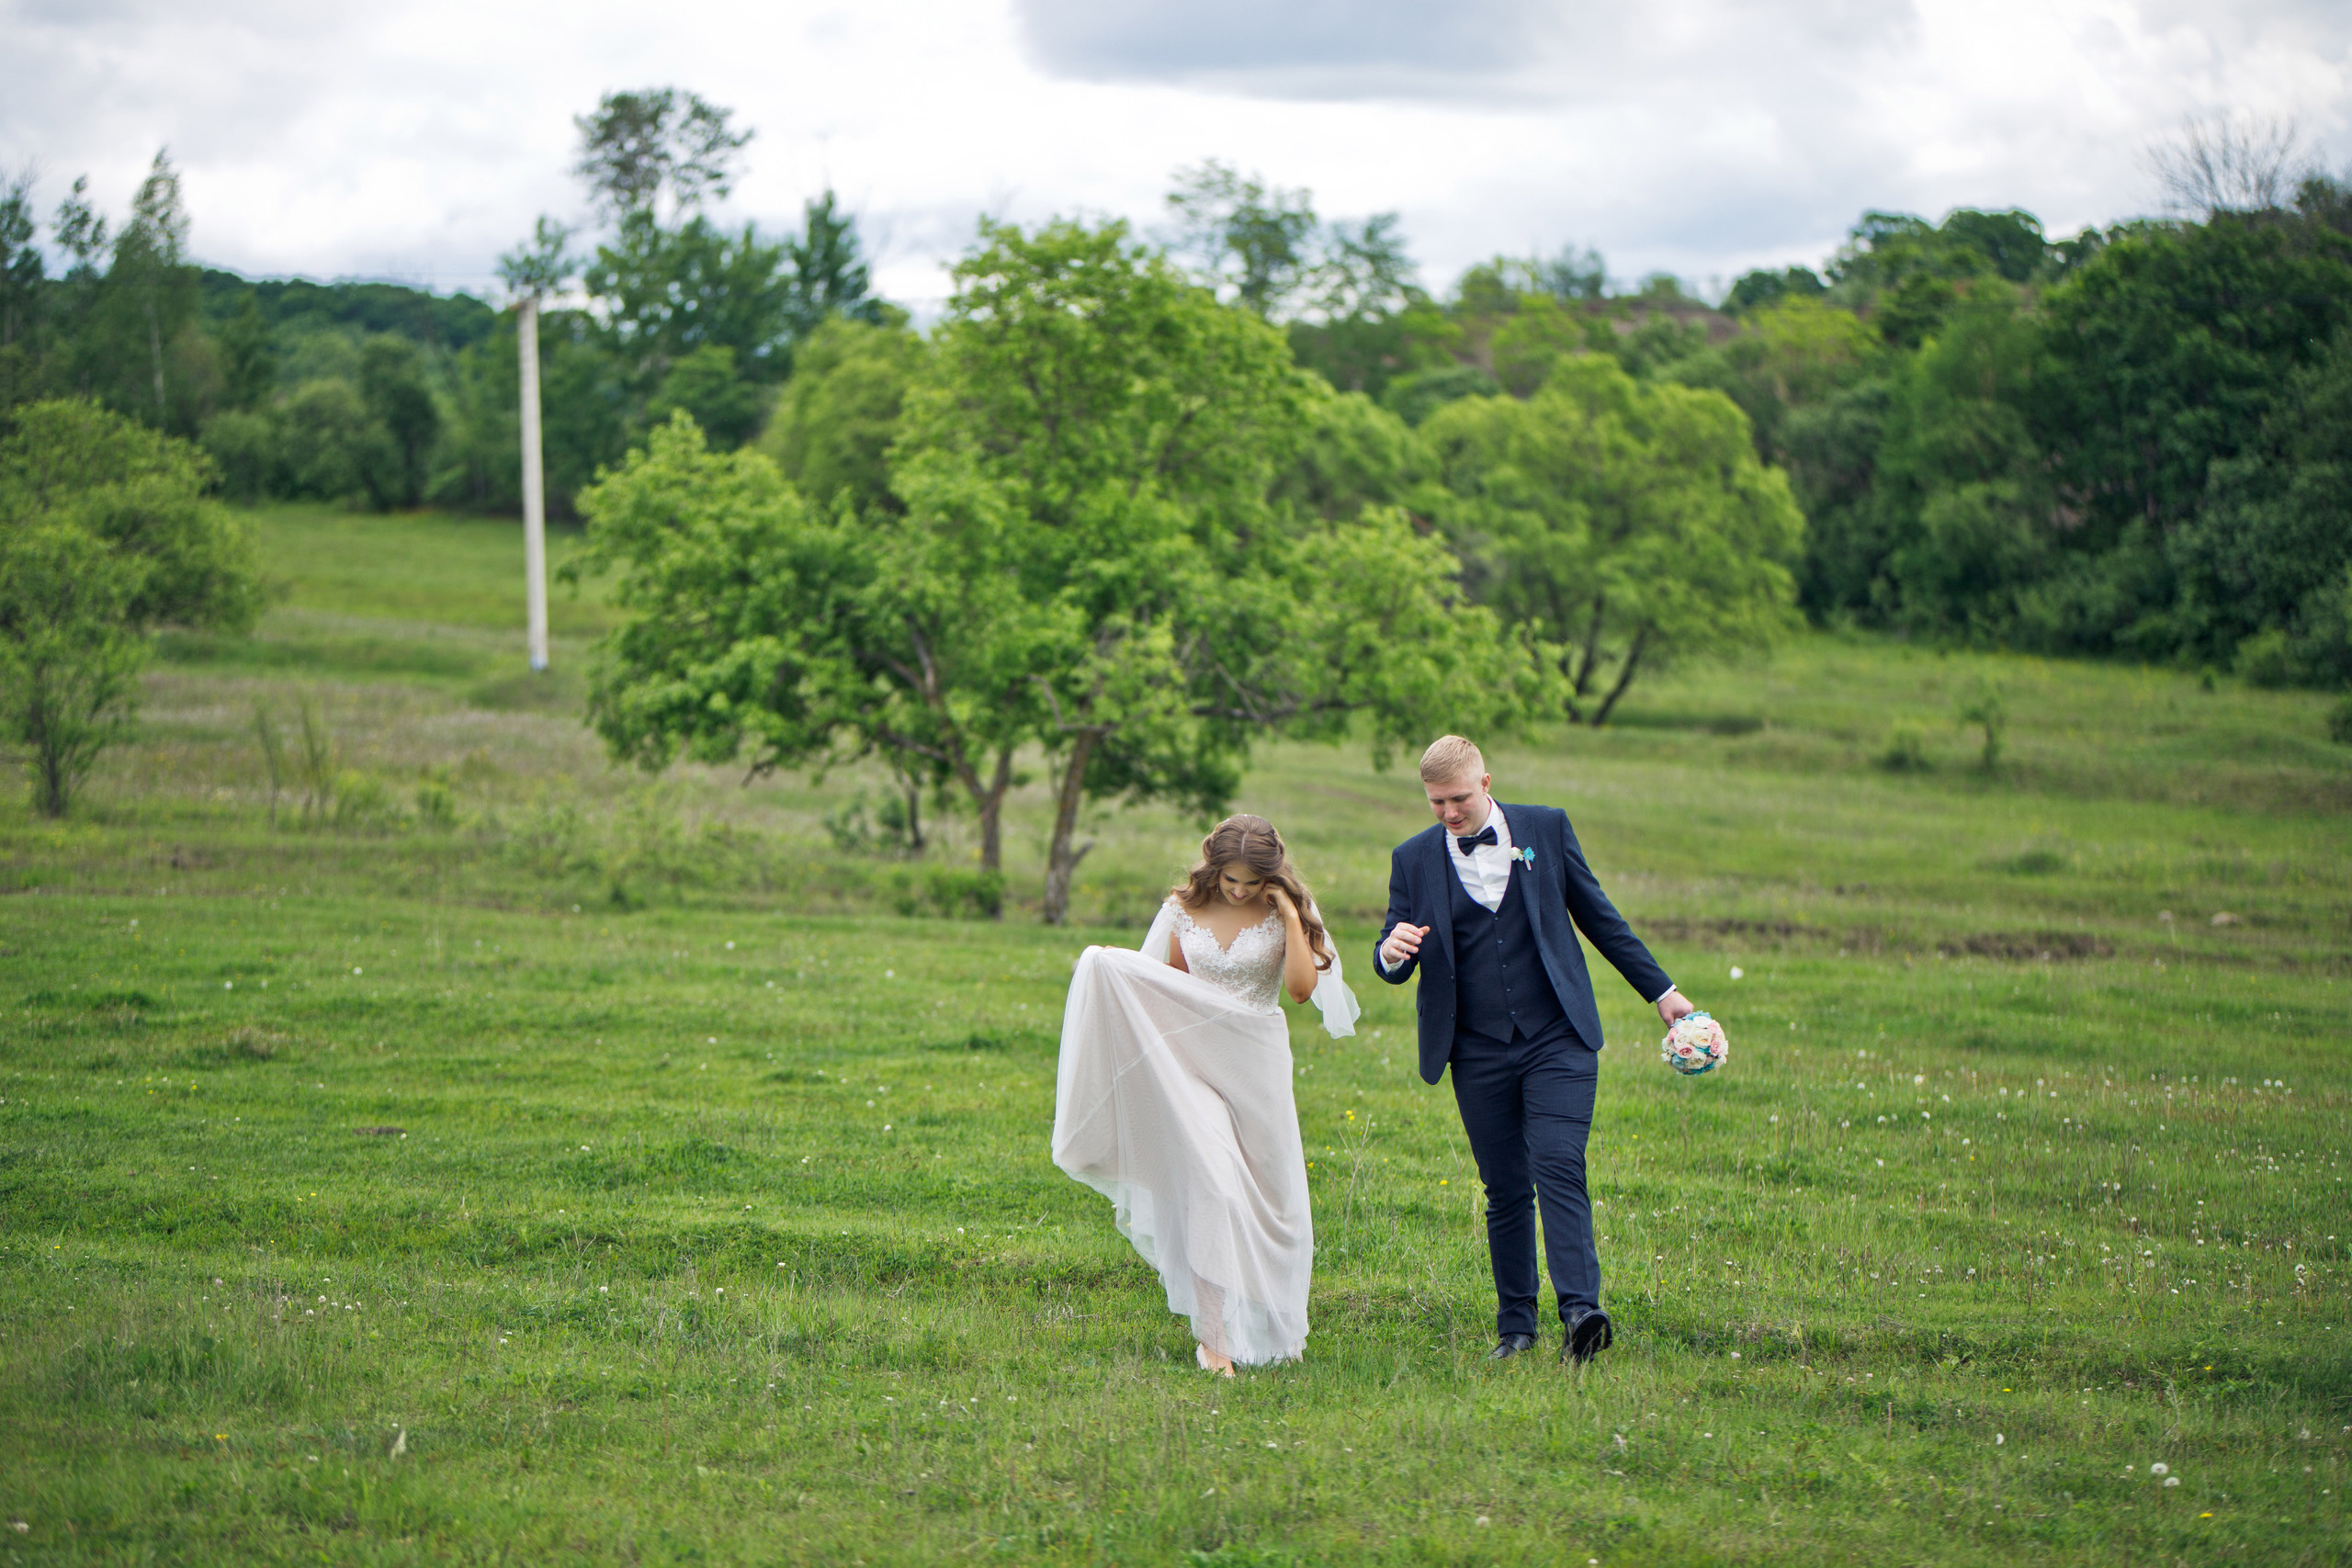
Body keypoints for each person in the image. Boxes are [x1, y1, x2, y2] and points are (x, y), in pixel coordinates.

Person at [1375, 736, 1693, 1366]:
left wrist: (1663, 992)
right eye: (1437, 802)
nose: (1449, 814)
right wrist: (1390, 952)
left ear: (1486, 782)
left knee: (1557, 1161)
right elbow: (1393, 943)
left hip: (1558, 1035)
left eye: (1460, 798)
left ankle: (1581, 1310)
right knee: (1505, 1186)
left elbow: (1600, 918)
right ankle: (1516, 1328)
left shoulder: (1545, 830)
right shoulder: (1412, 858)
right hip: (1474, 1047)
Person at [1052, 816, 1359, 1375]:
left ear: (1271, 873)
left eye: (1249, 881)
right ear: (1211, 866)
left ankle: (1270, 1322)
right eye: (1229, 879)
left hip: (1253, 1060)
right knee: (1211, 1187)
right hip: (1191, 1061)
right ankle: (1215, 1339)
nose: (1238, 891)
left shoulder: (1287, 909)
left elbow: (1299, 990)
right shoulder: (1181, 907)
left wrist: (1289, 915)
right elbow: (1162, 981)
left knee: (1272, 1200)